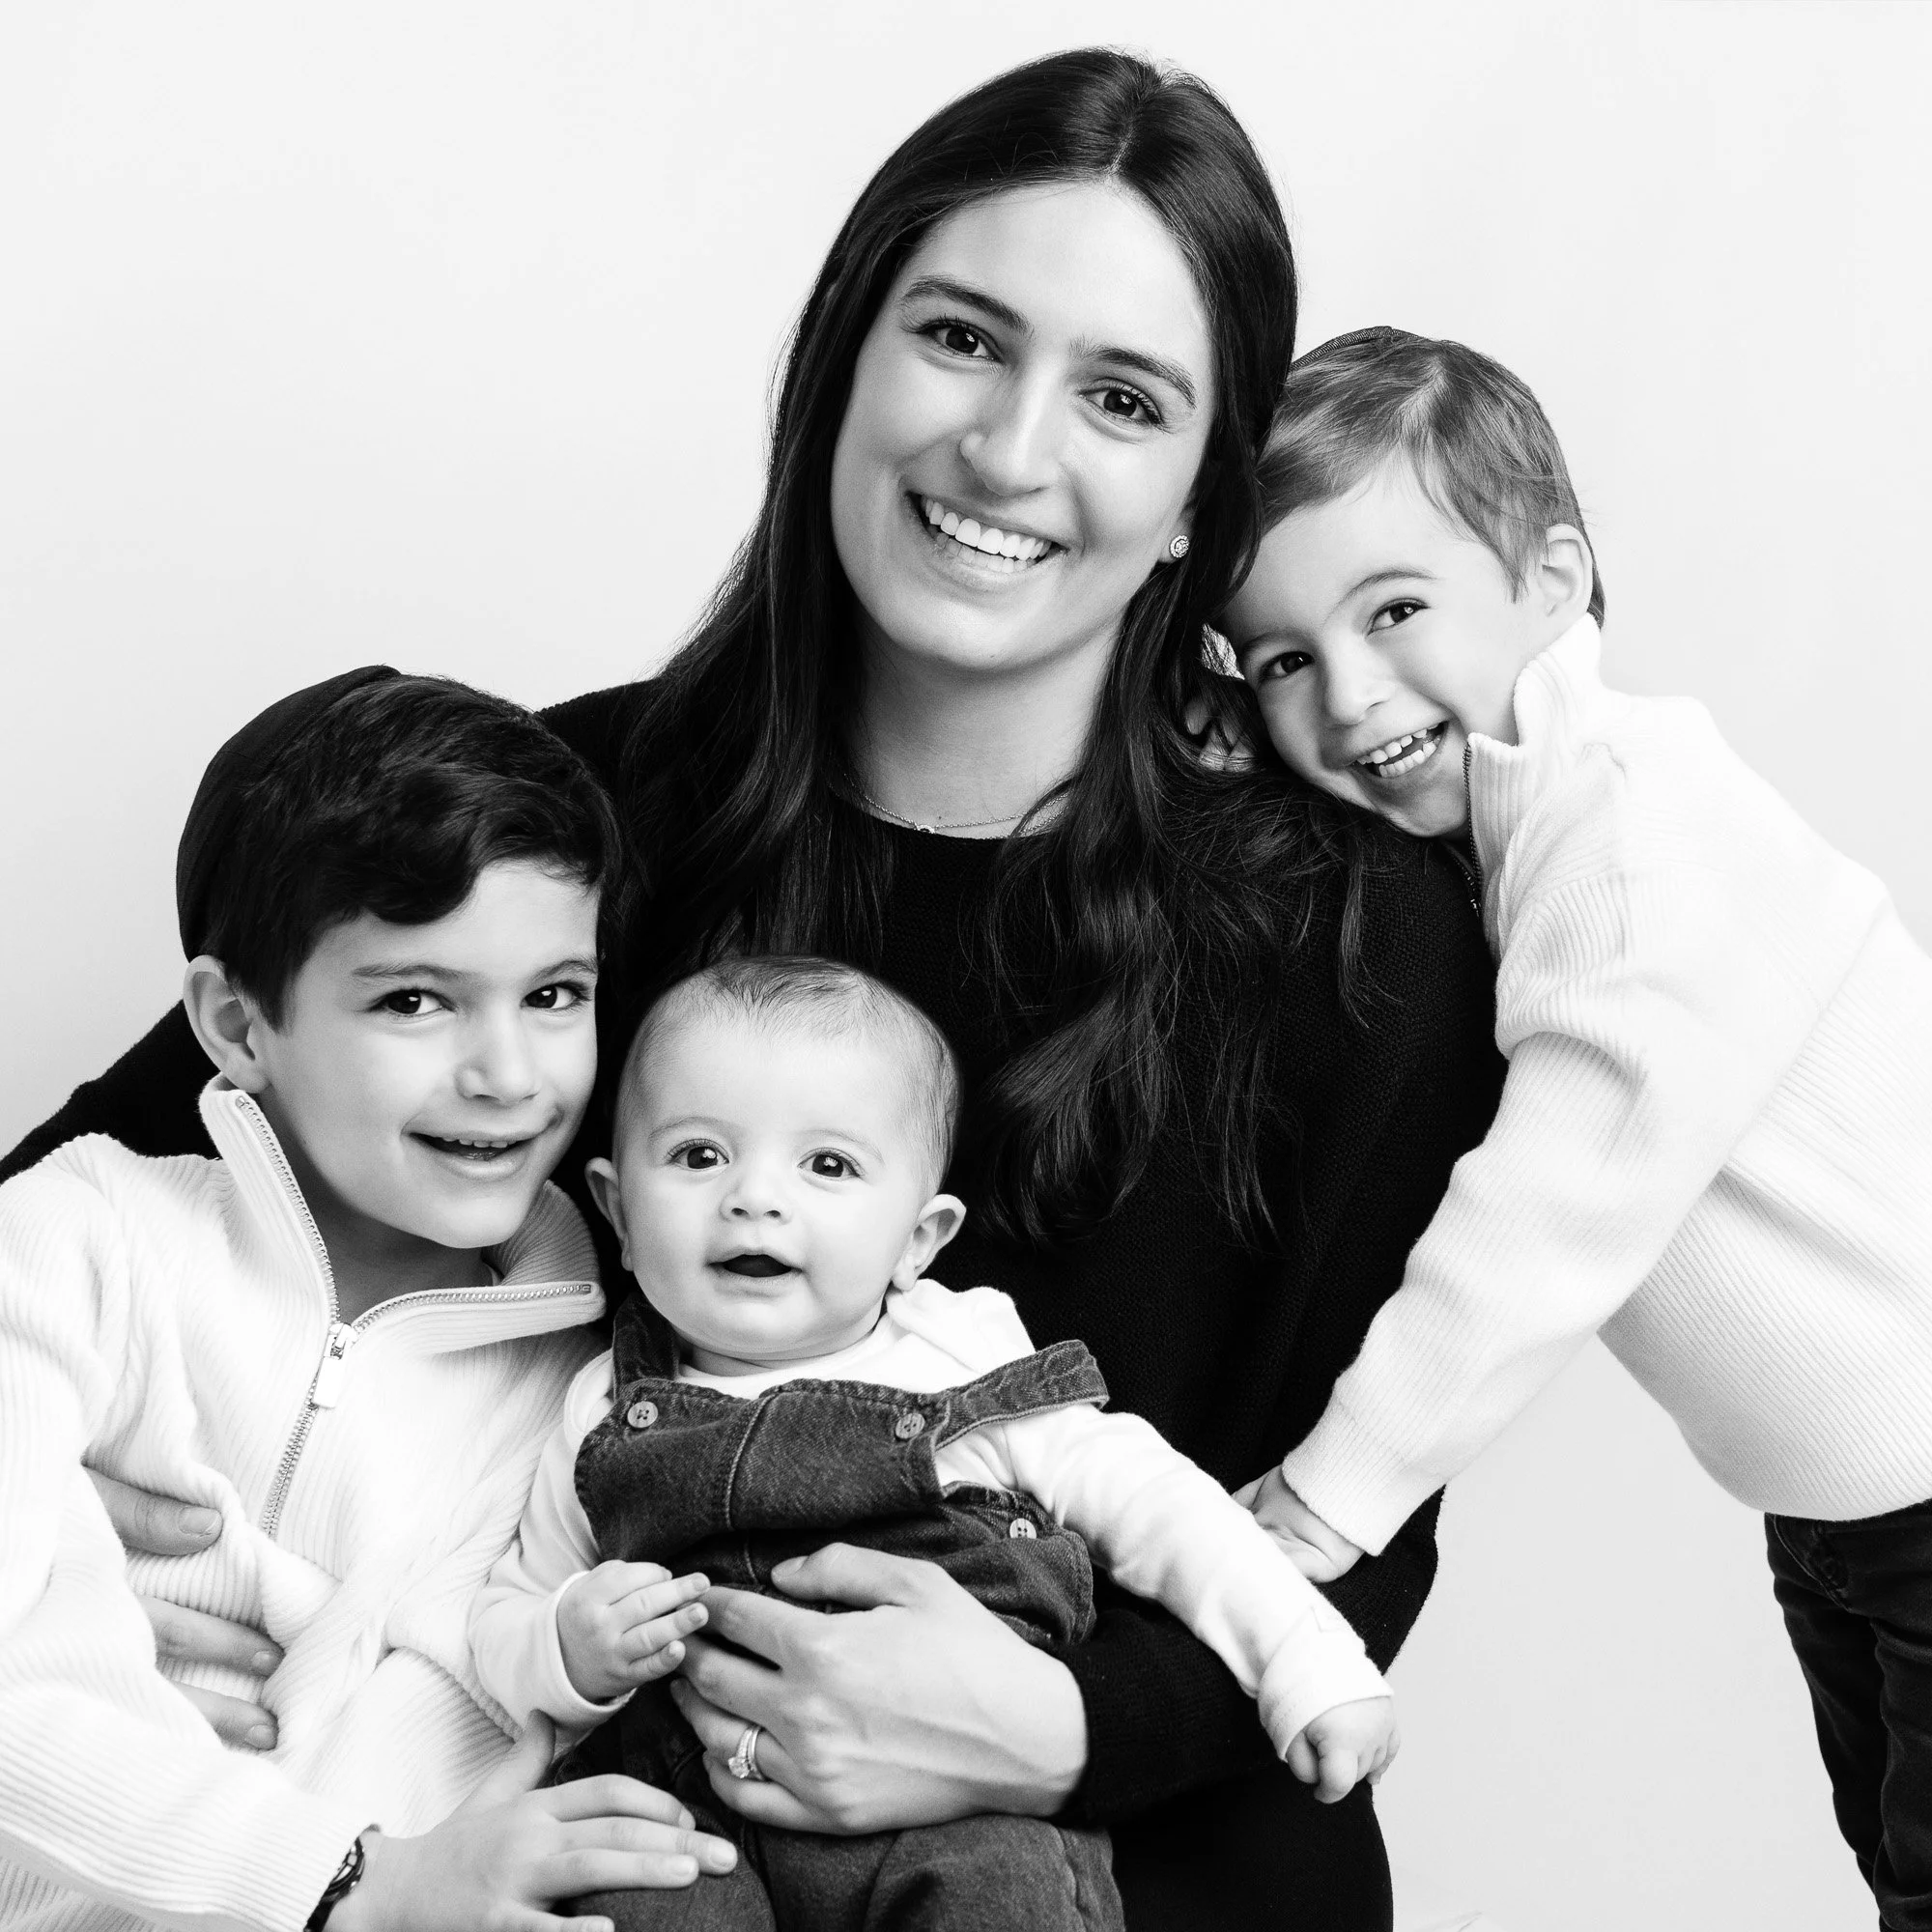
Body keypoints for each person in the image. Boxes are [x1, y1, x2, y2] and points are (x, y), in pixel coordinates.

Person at [3, 54, 1504, 1928]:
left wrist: (1056, 1727)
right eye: (961, 338)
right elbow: (96, 1213)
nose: (1011, 451)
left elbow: (1348, 1535)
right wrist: (125, 1594)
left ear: (1204, 494)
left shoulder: (1361, 948)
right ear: (840, 360)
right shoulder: (572, 830)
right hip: (628, 1858)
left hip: (1159, 1864)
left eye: (1120, 397)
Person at [1219, 325, 1932, 1931]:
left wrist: (1337, 1495)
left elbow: (1550, 1216)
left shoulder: (1630, 838)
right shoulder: (1509, 821)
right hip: (1842, 1508)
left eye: (1396, 610)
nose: (1348, 694)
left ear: (1552, 582)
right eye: (1275, 658)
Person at [0, 669, 737, 1932]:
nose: (510, 1075)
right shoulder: (78, 1238)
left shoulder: (596, 1388)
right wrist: (335, 1881)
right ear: (237, 1024)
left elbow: (469, 1741)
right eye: (414, 1001)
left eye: (555, 995)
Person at [471, 954, 1399, 1929]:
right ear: (617, 1211)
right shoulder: (601, 1405)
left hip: (958, 1809)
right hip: (686, 1817)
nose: (754, 1195)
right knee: (623, 1898)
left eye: (826, 1164)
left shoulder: (961, 1364)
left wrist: (1309, 1665)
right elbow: (504, 1619)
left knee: (999, 1897)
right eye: (698, 1154)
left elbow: (1164, 1510)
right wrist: (567, 1646)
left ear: (919, 1237)